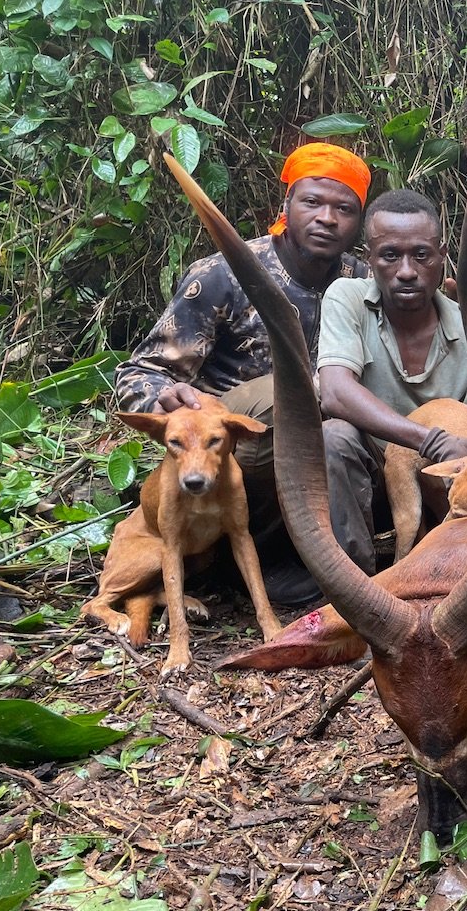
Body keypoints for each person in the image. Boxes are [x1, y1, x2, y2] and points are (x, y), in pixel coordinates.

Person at [114, 142, 372, 604]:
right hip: (234, 445)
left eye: (344, 209)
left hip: (322, 438)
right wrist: (164, 397)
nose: (327, 218)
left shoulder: (361, 278)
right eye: (312, 202)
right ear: (286, 204)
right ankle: (252, 562)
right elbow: (139, 371)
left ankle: (335, 569)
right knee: (288, 397)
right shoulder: (224, 273)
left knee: (342, 428)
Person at [317, 189, 467, 574]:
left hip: (441, 481)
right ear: (369, 259)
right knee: (335, 438)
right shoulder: (347, 298)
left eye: (421, 255)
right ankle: (357, 585)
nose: (407, 270)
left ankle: (455, 570)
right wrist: (431, 440)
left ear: (442, 255)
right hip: (368, 478)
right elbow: (336, 392)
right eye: (391, 255)